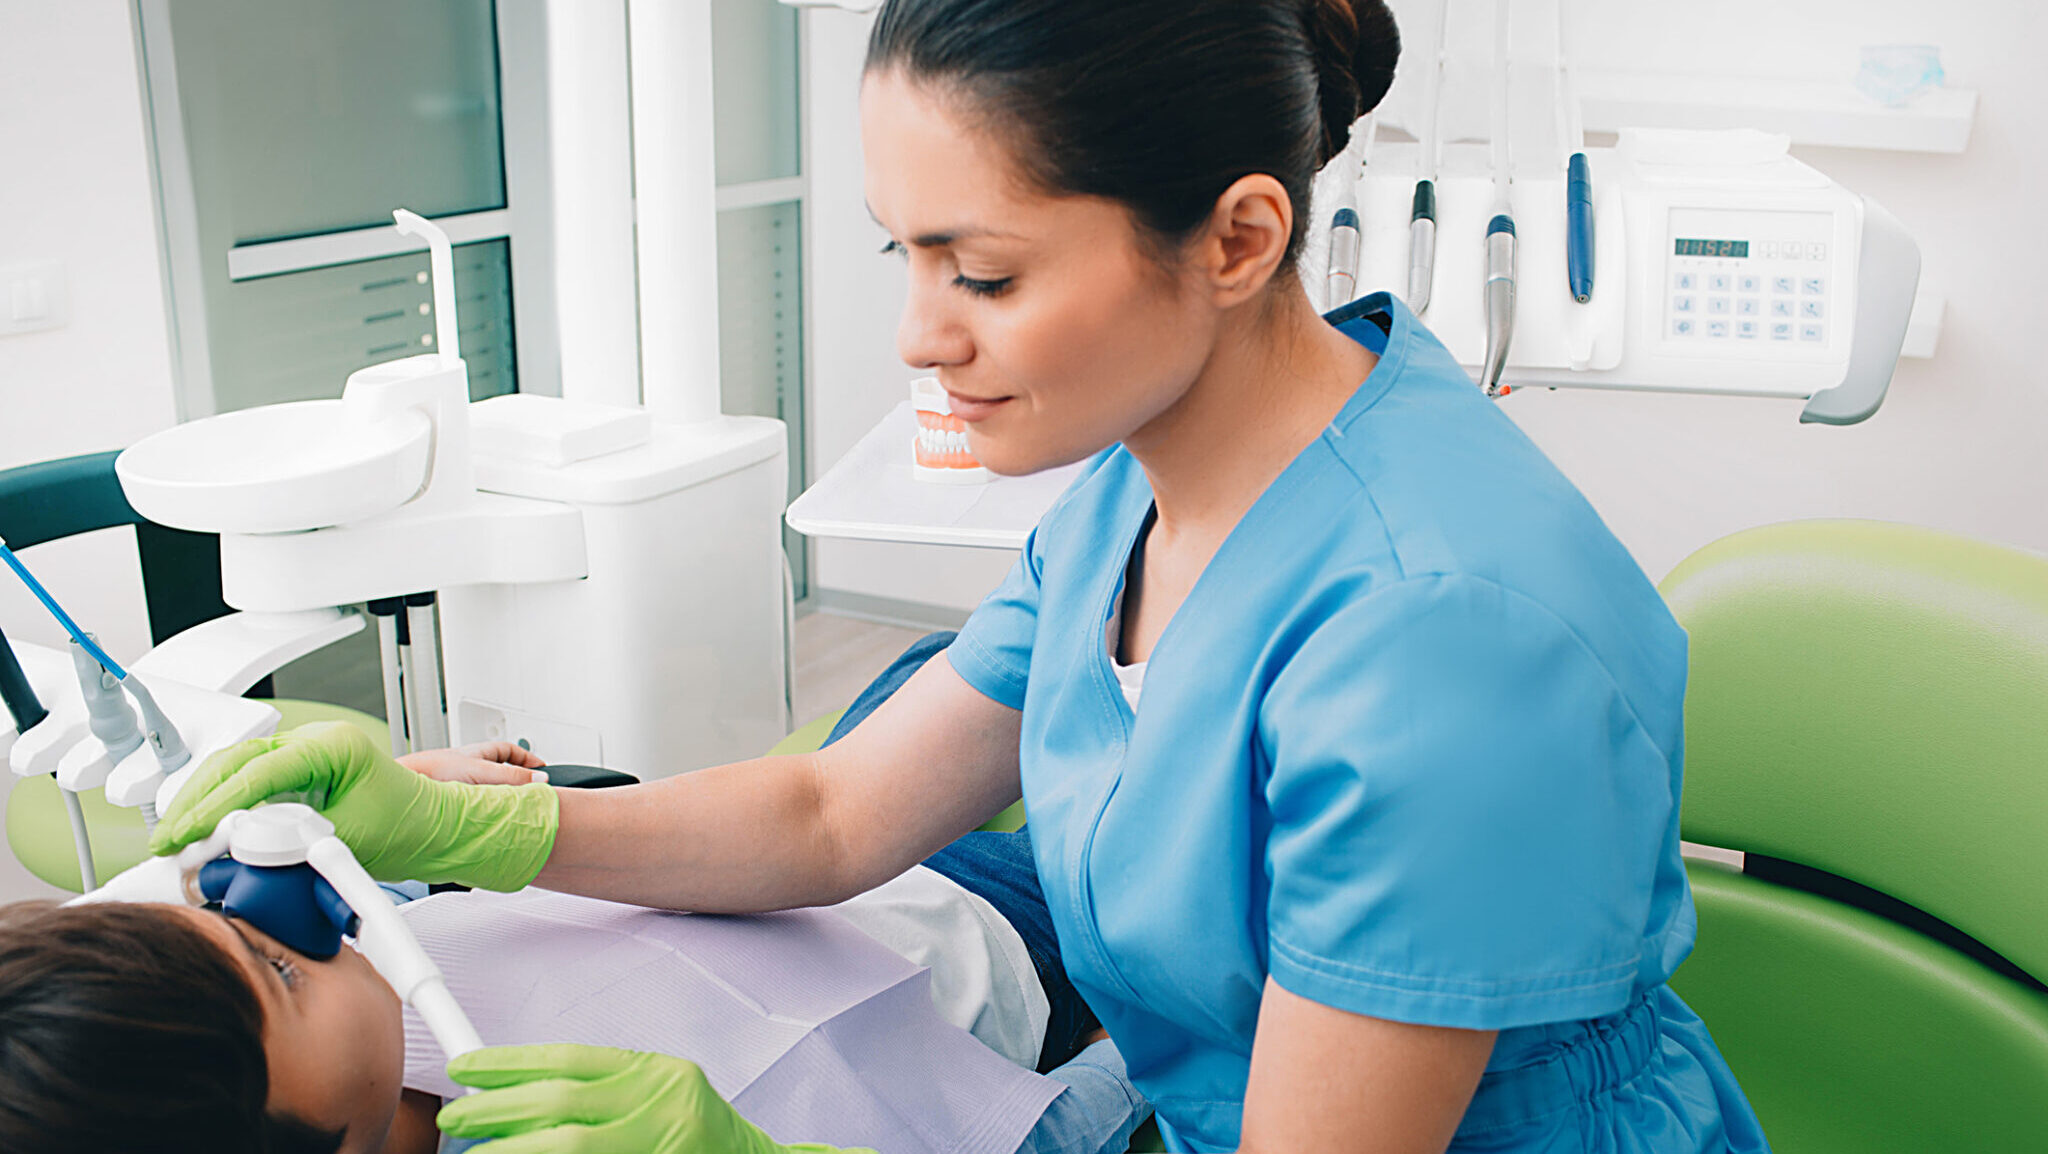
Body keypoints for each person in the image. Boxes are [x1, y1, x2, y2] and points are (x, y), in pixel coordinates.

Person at [156, 1, 1771, 1150]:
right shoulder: (1143, 492)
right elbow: (834, 814)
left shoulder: (1436, 642)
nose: (921, 334)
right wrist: (475, 825)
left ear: (1233, 238)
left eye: (982, 270)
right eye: (904, 253)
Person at [0, 740, 1148, 1154]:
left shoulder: (364, 971)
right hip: (985, 931)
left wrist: (432, 790)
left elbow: (385, 859)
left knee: (954, 678)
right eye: (274, 964)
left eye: (211, 906)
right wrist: (1152, 1046)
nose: (272, 907)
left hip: (801, 851)